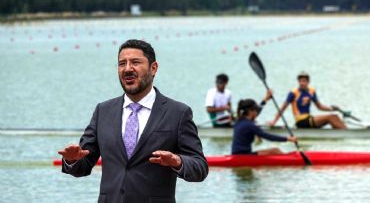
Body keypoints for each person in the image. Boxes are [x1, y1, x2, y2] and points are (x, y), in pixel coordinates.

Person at [58, 39, 208, 203]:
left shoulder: (178, 113)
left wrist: (178, 161)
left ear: (153, 68)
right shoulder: (103, 111)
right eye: (122, 63)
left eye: (135, 62)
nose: (127, 69)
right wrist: (72, 160)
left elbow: (200, 167)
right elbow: (84, 165)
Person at [268, 71, 347, 129]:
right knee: (332, 117)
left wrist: (332, 109)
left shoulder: (311, 91)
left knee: (335, 117)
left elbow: (320, 107)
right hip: (301, 121)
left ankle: (341, 133)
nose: (302, 83)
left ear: (308, 82)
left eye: (304, 81)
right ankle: (347, 134)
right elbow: (283, 108)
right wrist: (274, 121)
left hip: (309, 119)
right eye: (300, 81)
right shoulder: (293, 93)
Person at [231, 90, 297, 155]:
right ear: (250, 111)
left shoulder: (239, 121)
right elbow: (269, 137)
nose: (257, 112)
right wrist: (288, 139)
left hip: (237, 153)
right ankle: (292, 159)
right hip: (244, 155)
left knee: (274, 151)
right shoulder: (250, 125)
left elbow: (258, 111)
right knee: (275, 151)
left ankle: (288, 157)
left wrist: (266, 99)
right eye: (255, 110)